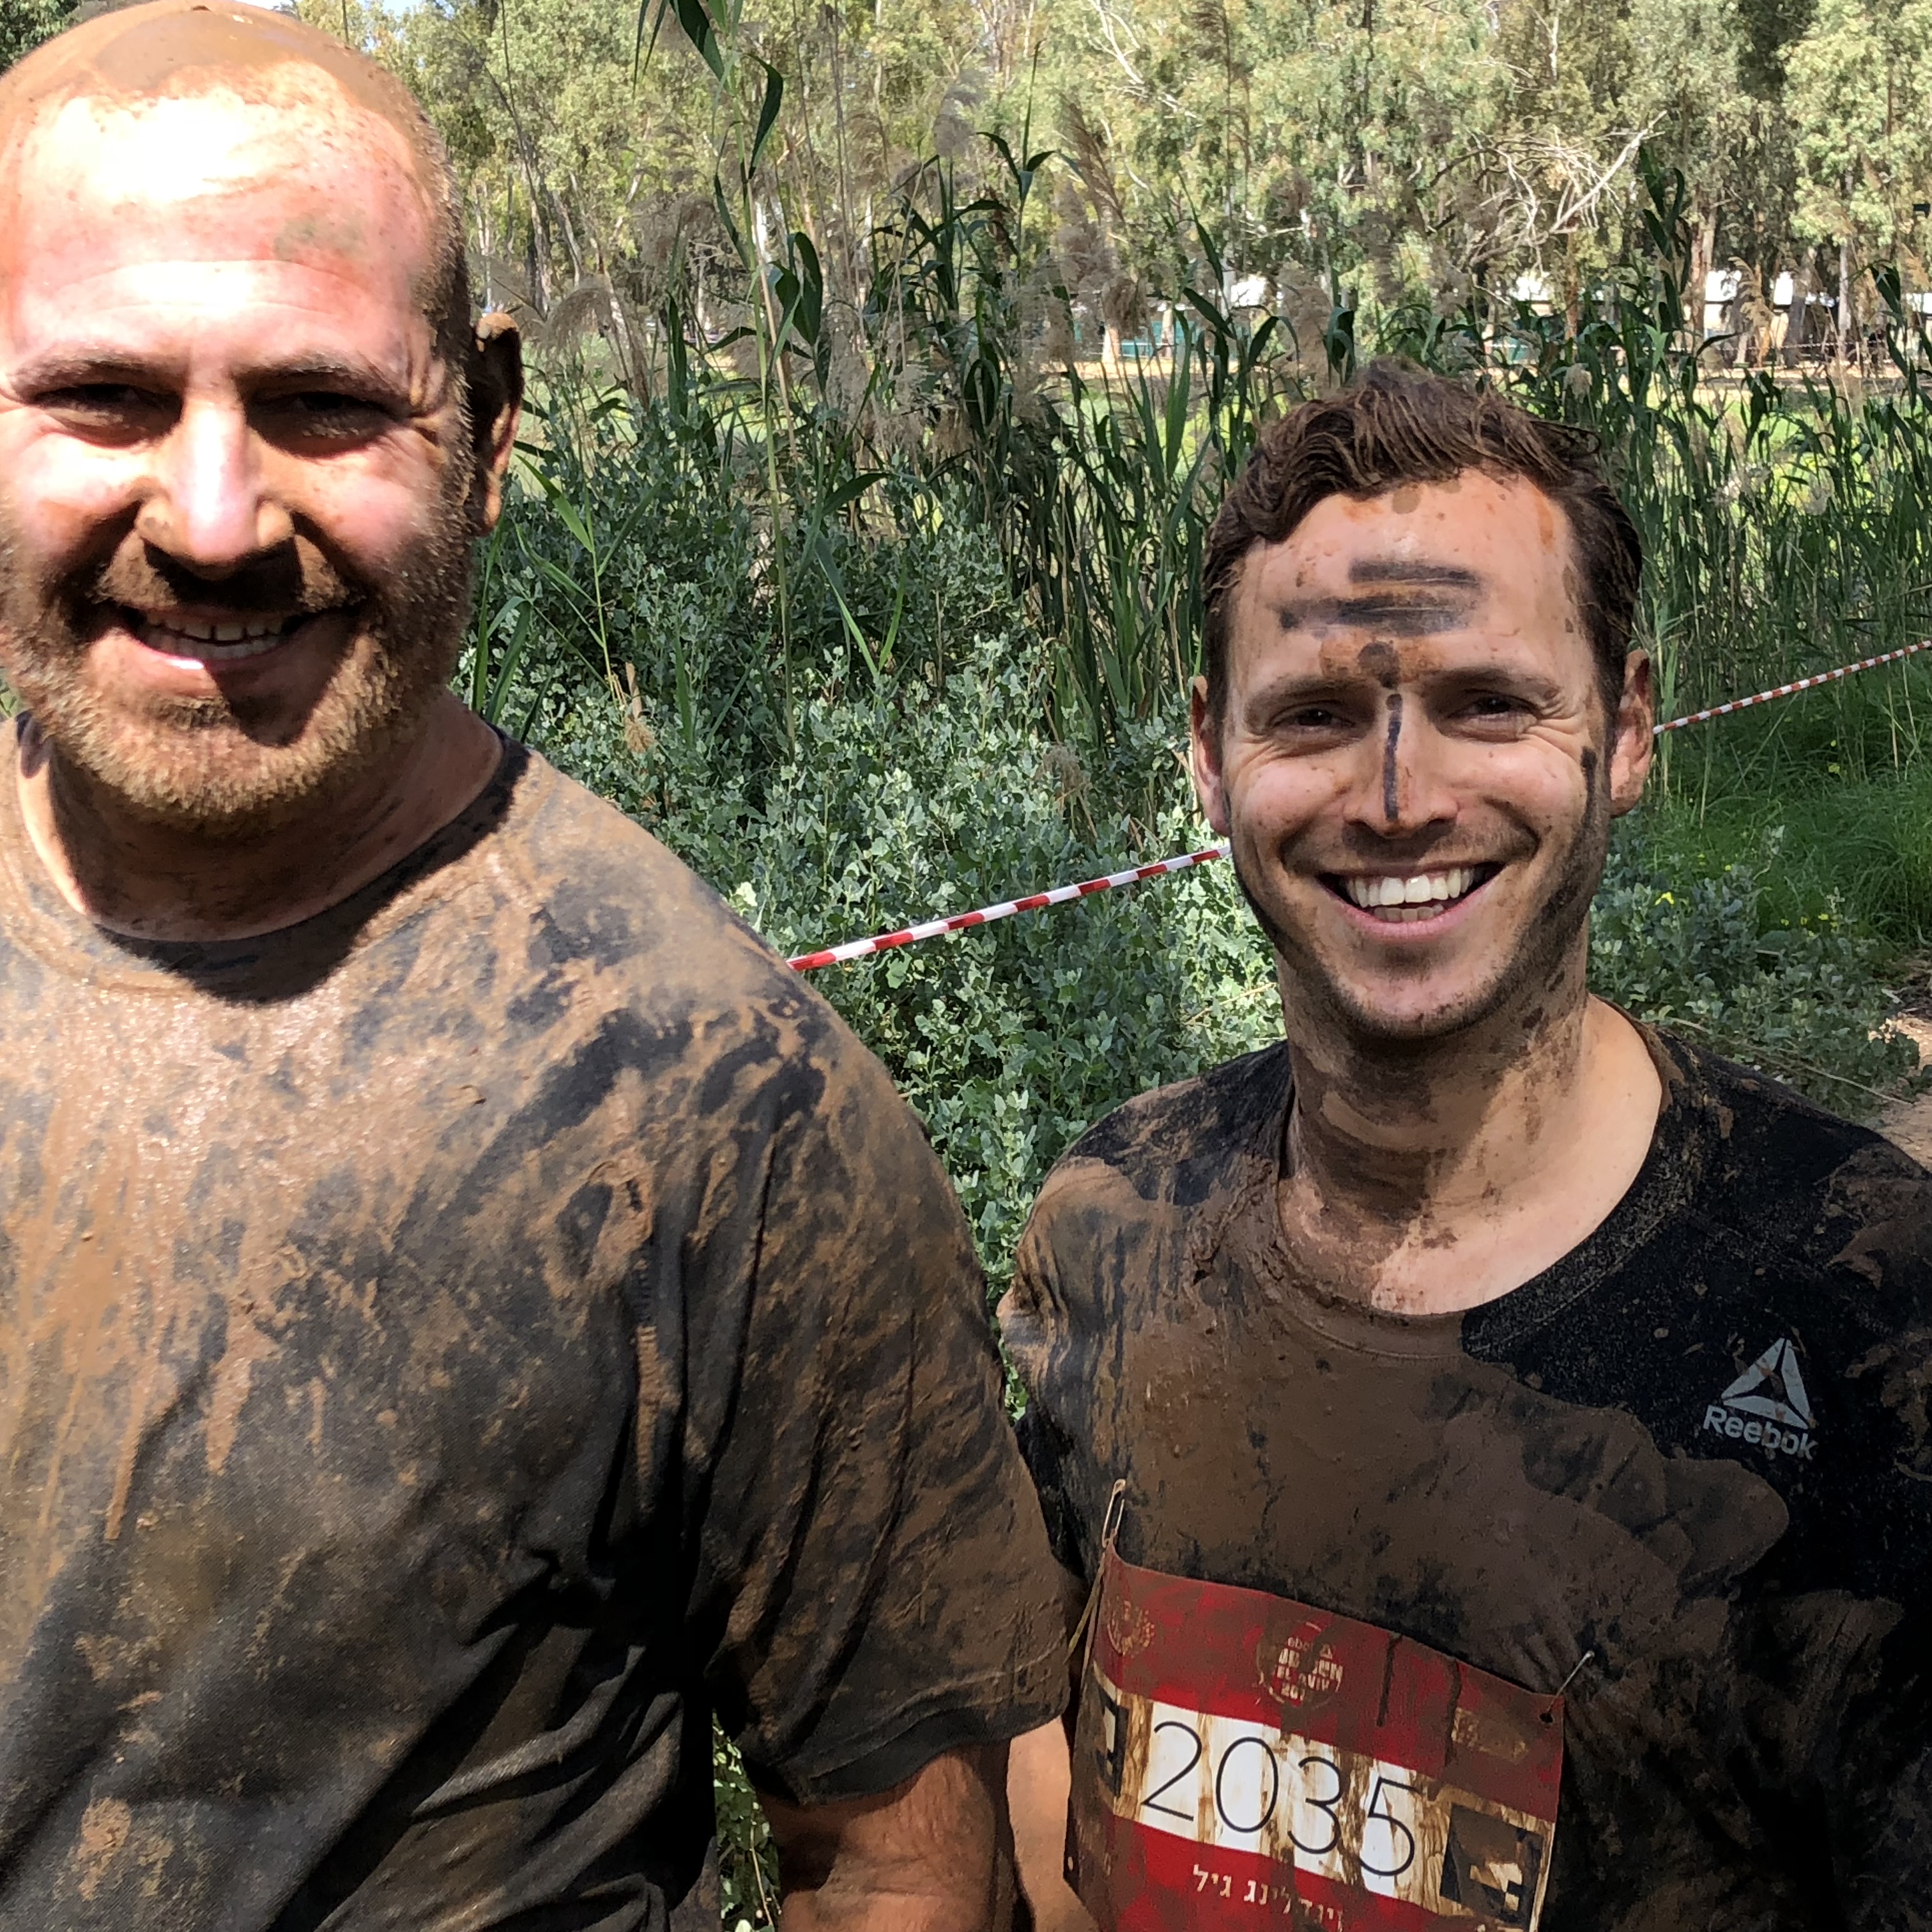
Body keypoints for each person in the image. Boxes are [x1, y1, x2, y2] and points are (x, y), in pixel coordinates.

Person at [0, 5, 1066, 1926]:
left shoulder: (727, 1109)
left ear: (488, 432)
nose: (218, 519)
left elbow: (900, 1868)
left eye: (326, 406)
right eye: (104, 400)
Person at [1000, 364, 1932, 1931]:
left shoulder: (1870, 1318)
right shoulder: (1110, 1229)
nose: (1398, 796)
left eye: (1487, 704)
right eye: (1312, 716)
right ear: (1211, 760)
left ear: (1626, 731)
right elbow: (1039, 1766)